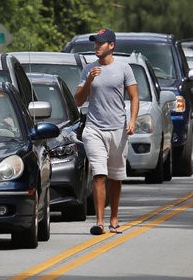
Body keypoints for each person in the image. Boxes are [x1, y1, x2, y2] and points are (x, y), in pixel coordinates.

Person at [74, 29, 139, 235]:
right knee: (99, 174)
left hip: (118, 129)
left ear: (111, 45)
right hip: (94, 129)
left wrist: (133, 121)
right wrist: (90, 81)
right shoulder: (88, 69)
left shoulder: (124, 68)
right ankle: (99, 222)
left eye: (101, 43)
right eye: (95, 43)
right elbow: (78, 100)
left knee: (115, 177)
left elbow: (134, 97)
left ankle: (114, 218)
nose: (96, 46)